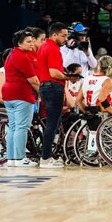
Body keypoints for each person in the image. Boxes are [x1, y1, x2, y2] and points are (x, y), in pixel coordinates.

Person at [2, 30, 40, 167]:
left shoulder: (11, 54)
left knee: (13, 126)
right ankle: (20, 158)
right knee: (21, 127)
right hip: (21, 94)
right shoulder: (22, 57)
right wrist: (42, 94)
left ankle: (11, 159)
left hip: (8, 94)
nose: (31, 44)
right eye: (28, 42)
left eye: (32, 41)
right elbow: (34, 80)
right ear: (19, 43)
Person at [37, 22, 69, 168]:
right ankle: (46, 157)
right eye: (63, 36)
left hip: (46, 87)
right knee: (52, 124)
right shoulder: (53, 48)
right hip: (53, 87)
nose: (66, 39)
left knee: (51, 124)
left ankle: (46, 156)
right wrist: (69, 77)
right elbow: (54, 73)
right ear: (54, 34)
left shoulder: (43, 46)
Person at [76, 55, 112, 121]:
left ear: (99, 65)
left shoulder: (87, 79)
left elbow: (78, 101)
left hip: (89, 120)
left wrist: (86, 113)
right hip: (104, 118)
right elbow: (101, 98)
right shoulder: (108, 81)